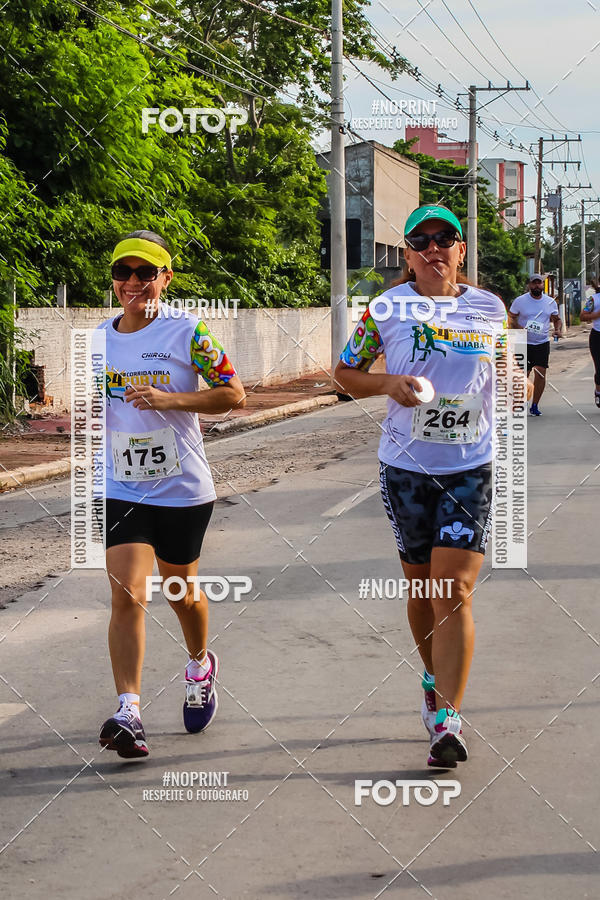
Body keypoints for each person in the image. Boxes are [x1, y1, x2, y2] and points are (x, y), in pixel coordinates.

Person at [334, 204, 531, 768]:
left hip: (471, 465)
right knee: (422, 589)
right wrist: (387, 383)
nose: (434, 247)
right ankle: (430, 676)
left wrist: (515, 382)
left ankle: (448, 718)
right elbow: (345, 375)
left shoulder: (488, 308)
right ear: (408, 255)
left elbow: (503, 369)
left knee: (455, 591)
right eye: (421, 240)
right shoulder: (386, 308)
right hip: (405, 468)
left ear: (461, 251)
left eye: (446, 238)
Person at [96, 230, 245, 758]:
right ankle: (129, 711)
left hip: (182, 487)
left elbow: (233, 393)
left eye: (145, 273)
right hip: (122, 486)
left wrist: (170, 398)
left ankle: (200, 663)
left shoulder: (189, 331)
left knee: (181, 592)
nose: (133, 282)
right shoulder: (98, 339)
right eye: (123, 273)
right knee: (127, 592)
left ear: (165, 278)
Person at [508, 274, 562, 416]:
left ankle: (535, 405)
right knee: (522, 375)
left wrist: (557, 330)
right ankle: (519, 403)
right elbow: (509, 318)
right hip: (523, 342)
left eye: (539, 283)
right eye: (534, 283)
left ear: (542, 285)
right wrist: (519, 328)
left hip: (541, 343)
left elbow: (556, 319)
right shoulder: (520, 301)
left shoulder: (550, 302)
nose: (536, 286)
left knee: (540, 374)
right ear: (529, 285)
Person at [580, 283, 600, 407]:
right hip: (597, 336)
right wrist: (597, 315)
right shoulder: (594, 299)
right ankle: (598, 392)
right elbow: (583, 316)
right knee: (599, 367)